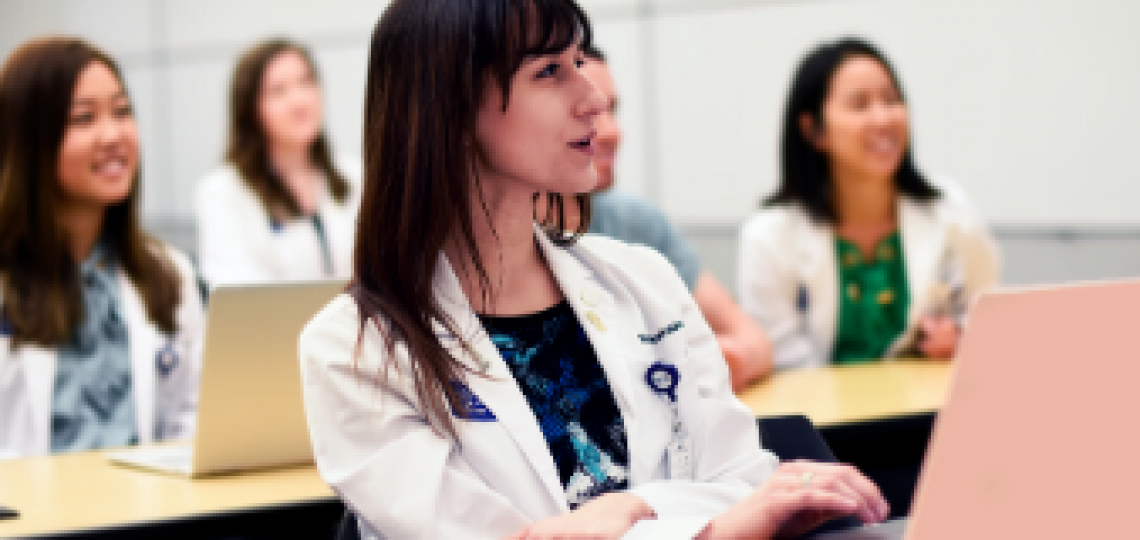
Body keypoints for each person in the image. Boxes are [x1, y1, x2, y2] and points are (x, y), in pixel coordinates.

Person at [299, 2, 888, 538]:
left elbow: (744, 480)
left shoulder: (644, 280)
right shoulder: (351, 350)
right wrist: (706, 529)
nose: (595, 99)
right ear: (451, 109)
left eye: (578, 61)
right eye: (550, 72)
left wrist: (630, 515)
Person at [738, 37, 999, 369]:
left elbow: (988, 314)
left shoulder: (948, 208)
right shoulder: (769, 236)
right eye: (860, 104)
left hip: (934, 413)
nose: (883, 118)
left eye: (891, 100)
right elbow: (783, 364)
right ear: (813, 130)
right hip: (825, 419)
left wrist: (958, 334)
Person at [0, 37, 204, 458]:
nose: (113, 135)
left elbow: (193, 420)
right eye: (84, 118)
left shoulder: (169, 273)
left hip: (153, 518)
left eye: (122, 111)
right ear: (29, 141)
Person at [577, 46, 772, 390]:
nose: (613, 132)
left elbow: (751, 339)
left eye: (612, 110)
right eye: (588, 113)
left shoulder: (636, 222)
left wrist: (723, 356)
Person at [195, 38, 361, 287]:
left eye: (306, 82)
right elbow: (235, 294)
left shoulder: (356, 175)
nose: (299, 101)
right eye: (277, 91)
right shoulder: (222, 192)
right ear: (250, 110)